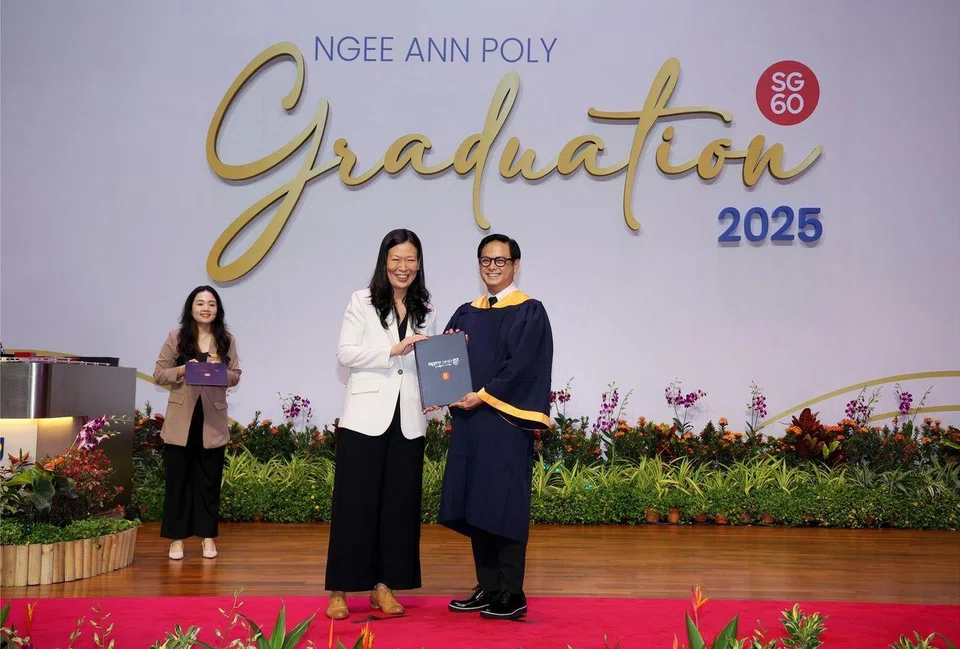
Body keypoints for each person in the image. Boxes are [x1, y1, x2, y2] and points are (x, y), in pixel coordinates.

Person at [439, 233, 553, 621]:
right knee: (476, 505)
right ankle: (488, 587)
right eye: (486, 261)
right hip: (470, 424)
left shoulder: (529, 311)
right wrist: (443, 380)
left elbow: (522, 368)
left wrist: (482, 395)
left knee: (503, 504)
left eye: (500, 261)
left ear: (516, 265)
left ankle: (513, 591)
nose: (492, 267)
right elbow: (444, 363)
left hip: (503, 423)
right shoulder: (465, 312)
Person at [324, 228, 437, 620]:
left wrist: (447, 360)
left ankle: (383, 587)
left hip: (408, 421)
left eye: (410, 260)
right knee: (355, 506)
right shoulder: (362, 300)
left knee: (397, 509)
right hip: (365, 419)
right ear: (384, 262)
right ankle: (339, 590)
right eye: (396, 260)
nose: (403, 267)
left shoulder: (426, 306)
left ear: (418, 263)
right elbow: (345, 353)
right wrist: (391, 349)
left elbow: (428, 365)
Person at [153, 285, 241, 560]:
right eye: (200, 303)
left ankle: (207, 538)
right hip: (182, 420)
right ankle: (177, 540)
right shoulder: (176, 337)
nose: (206, 308)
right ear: (191, 307)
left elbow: (236, 374)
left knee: (209, 481)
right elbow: (158, 374)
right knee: (178, 481)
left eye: (211, 304)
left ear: (218, 309)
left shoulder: (226, 339)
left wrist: (220, 373)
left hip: (212, 420)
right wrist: (184, 369)